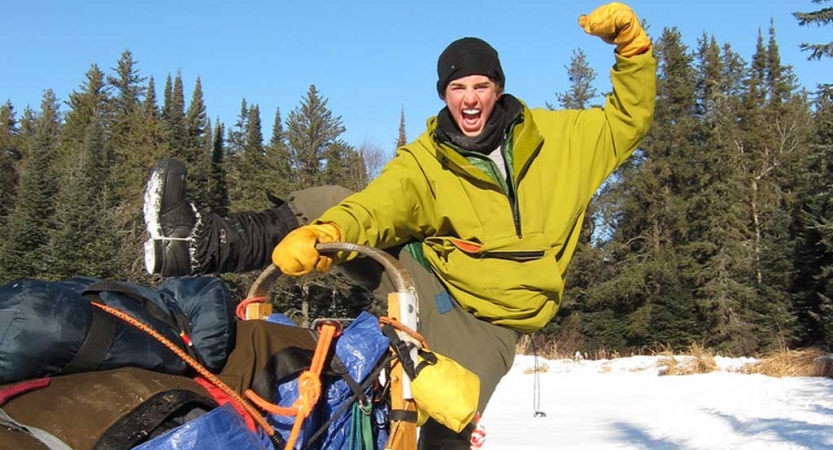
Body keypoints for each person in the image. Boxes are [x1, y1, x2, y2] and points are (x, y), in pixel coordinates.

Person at [143, 2, 656, 448]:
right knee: (333, 203)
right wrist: (328, 233)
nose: (470, 98)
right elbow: (378, 207)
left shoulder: (562, 142)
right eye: (457, 87)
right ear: (445, 94)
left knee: (451, 410)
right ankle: (197, 244)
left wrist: (632, 52)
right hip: (430, 280)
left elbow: (627, 120)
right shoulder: (427, 160)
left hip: (496, 324)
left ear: (498, 89)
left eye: (481, 85)